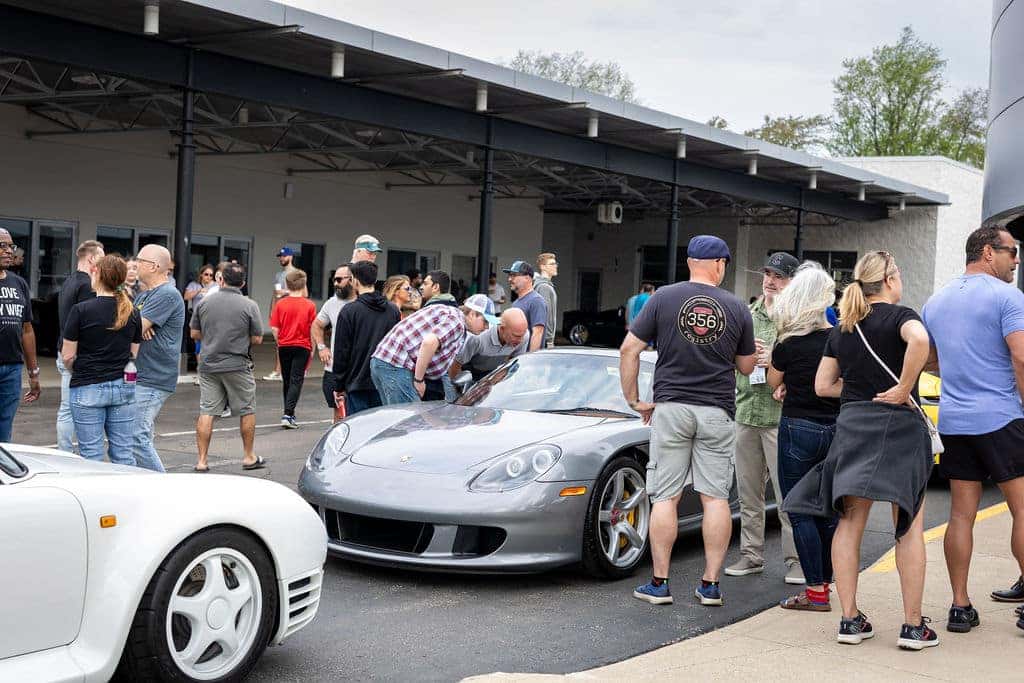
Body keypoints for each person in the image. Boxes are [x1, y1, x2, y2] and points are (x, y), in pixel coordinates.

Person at [788, 251, 935, 650]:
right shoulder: (903, 317)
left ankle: (850, 620)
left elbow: (822, 386)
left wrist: (861, 395)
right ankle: (912, 627)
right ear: (889, 279)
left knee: (850, 523)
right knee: (907, 526)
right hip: (900, 428)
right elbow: (920, 341)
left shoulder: (844, 328)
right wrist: (904, 388)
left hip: (853, 428)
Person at [621, 235, 755, 608]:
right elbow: (745, 368)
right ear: (718, 264)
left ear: (690, 262)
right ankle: (710, 584)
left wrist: (634, 400)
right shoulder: (736, 307)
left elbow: (629, 348)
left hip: (671, 407)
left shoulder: (663, 297)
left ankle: (660, 583)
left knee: (666, 495)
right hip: (716, 410)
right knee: (715, 499)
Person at [921, 226, 1024, 633]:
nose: (1016, 260)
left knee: (961, 515)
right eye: (1011, 252)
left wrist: (964, 368)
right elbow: (1021, 357)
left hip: (955, 423)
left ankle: (960, 607)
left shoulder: (937, 300)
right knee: (1022, 509)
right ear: (986, 252)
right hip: (1002, 418)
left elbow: (927, 360)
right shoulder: (1008, 297)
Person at [767, 263, 841, 611]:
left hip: (798, 426)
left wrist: (785, 385)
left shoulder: (789, 341)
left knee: (798, 509)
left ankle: (815, 592)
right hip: (837, 429)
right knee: (828, 510)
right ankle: (827, 582)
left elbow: (771, 382)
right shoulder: (842, 338)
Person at [726, 252, 802, 585]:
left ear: (793, 283)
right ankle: (751, 555)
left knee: (788, 495)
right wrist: (743, 357)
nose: (770, 281)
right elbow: (728, 359)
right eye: (767, 274)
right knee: (748, 493)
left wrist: (776, 361)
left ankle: (797, 560)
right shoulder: (746, 315)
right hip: (746, 412)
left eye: (779, 276)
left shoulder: (799, 320)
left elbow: (809, 366)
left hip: (781, 417)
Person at [61, 255, 141, 465]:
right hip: (123, 386)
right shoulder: (132, 312)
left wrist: (78, 369)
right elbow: (133, 355)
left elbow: (67, 356)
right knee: (124, 455)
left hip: (87, 385)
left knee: (91, 457)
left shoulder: (81, 310)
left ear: (96, 273)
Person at [190, 262, 264, 472]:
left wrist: (213, 337)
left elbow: (194, 334)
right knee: (247, 409)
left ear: (221, 279)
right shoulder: (249, 305)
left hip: (208, 363)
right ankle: (249, 456)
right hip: (237, 364)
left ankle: (202, 461)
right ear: (242, 283)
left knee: (207, 410)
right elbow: (258, 338)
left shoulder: (204, 302)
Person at [132, 244, 184, 472]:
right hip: (140, 374)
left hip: (153, 377)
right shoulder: (144, 295)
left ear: (153, 266)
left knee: (135, 436)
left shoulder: (167, 294)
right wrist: (137, 325)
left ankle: (162, 487)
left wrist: (138, 326)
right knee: (138, 435)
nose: (135, 264)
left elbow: (131, 329)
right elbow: (132, 325)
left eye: (139, 260)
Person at [371, 295, 468, 406]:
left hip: (386, 360)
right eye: (485, 321)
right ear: (473, 314)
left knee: (396, 417)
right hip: (396, 364)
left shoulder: (451, 314)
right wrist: (419, 380)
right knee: (409, 419)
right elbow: (429, 342)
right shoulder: (457, 322)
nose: (486, 327)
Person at [56, 239, 105, 452]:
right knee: (76, 409)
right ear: (92, 258)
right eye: (101, 258)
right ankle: (66, 452)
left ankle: (64, 451)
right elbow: (87, 322)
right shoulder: (86, 285)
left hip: (64, 350)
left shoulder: (69, 281)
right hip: (77, 354)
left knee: (67, 408)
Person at [333, 261, 401, 414]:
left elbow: (341, 351)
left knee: (359, 430)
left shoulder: (349, 311)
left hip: (356, 383)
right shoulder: (393, 311)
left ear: (354, 281)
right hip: (384, 382)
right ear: (375, 281)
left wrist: (338, 385)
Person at [0, 228, 40, 441]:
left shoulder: (19, 284)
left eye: (11, 246)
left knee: (4, 428)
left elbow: (26, 329)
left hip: (12, 369)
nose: (9, 251)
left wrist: (33, 372)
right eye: (2, 246)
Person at [269, 268, 316, 429]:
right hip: (302, 346)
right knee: (296, 380)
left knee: (287, 380)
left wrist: (280, 341)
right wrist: (313, 348)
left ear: (287, 285)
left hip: (284, 346)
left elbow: (275, 328)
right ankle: (288, 414)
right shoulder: (310, 305)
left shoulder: (281, 304)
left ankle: (288, 412)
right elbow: (312, 329)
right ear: (304, 285)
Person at [313, 264, 356, 422]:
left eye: (339, 279)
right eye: (334, 280)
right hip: (335, 369)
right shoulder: (332, 303)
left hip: (358, 369)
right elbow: (317, 325)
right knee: (339, 412)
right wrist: (322, 347)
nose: (335, 283)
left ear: (352, 280)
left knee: (359, 413)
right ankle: (339, 442)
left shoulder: (363, 302)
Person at [450, 305, 529, 381]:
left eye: (523, 335)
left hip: (493, 374)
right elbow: (456, 364)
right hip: (467, 372)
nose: (520, 340)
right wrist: (457, 389)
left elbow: (514, 364)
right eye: (516, 336)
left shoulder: (524, 335)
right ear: (502, 329)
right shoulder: (478, 337)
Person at [264, 246, 297, 381]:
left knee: (288, 342)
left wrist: (286, 292)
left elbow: (301, 292)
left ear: (291, 257)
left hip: (291, 311)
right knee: (279, 343)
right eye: (280, 256)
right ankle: (278, 371)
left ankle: (284, 371)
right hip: (279, 311)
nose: (282, 258)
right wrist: (272, 310)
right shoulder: (278, 275)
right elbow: (275, 294)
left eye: (284, 256)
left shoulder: (296, 273)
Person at [505, 260, 547, 352]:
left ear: (527, 278)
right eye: (510, 275)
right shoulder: (516, 303)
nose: (510, 279)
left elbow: (538, 333)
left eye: (514, 275)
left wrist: (531, 360)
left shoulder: (536, 301)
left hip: (527, 362)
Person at [534, 253, 558, 348]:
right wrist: (549, 340)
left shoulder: (543, 285)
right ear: (542, 267)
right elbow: (546, 315)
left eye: (555, 264)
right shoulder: (544, 287)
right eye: (552, 264)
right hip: (544, 340)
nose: (555, 266)